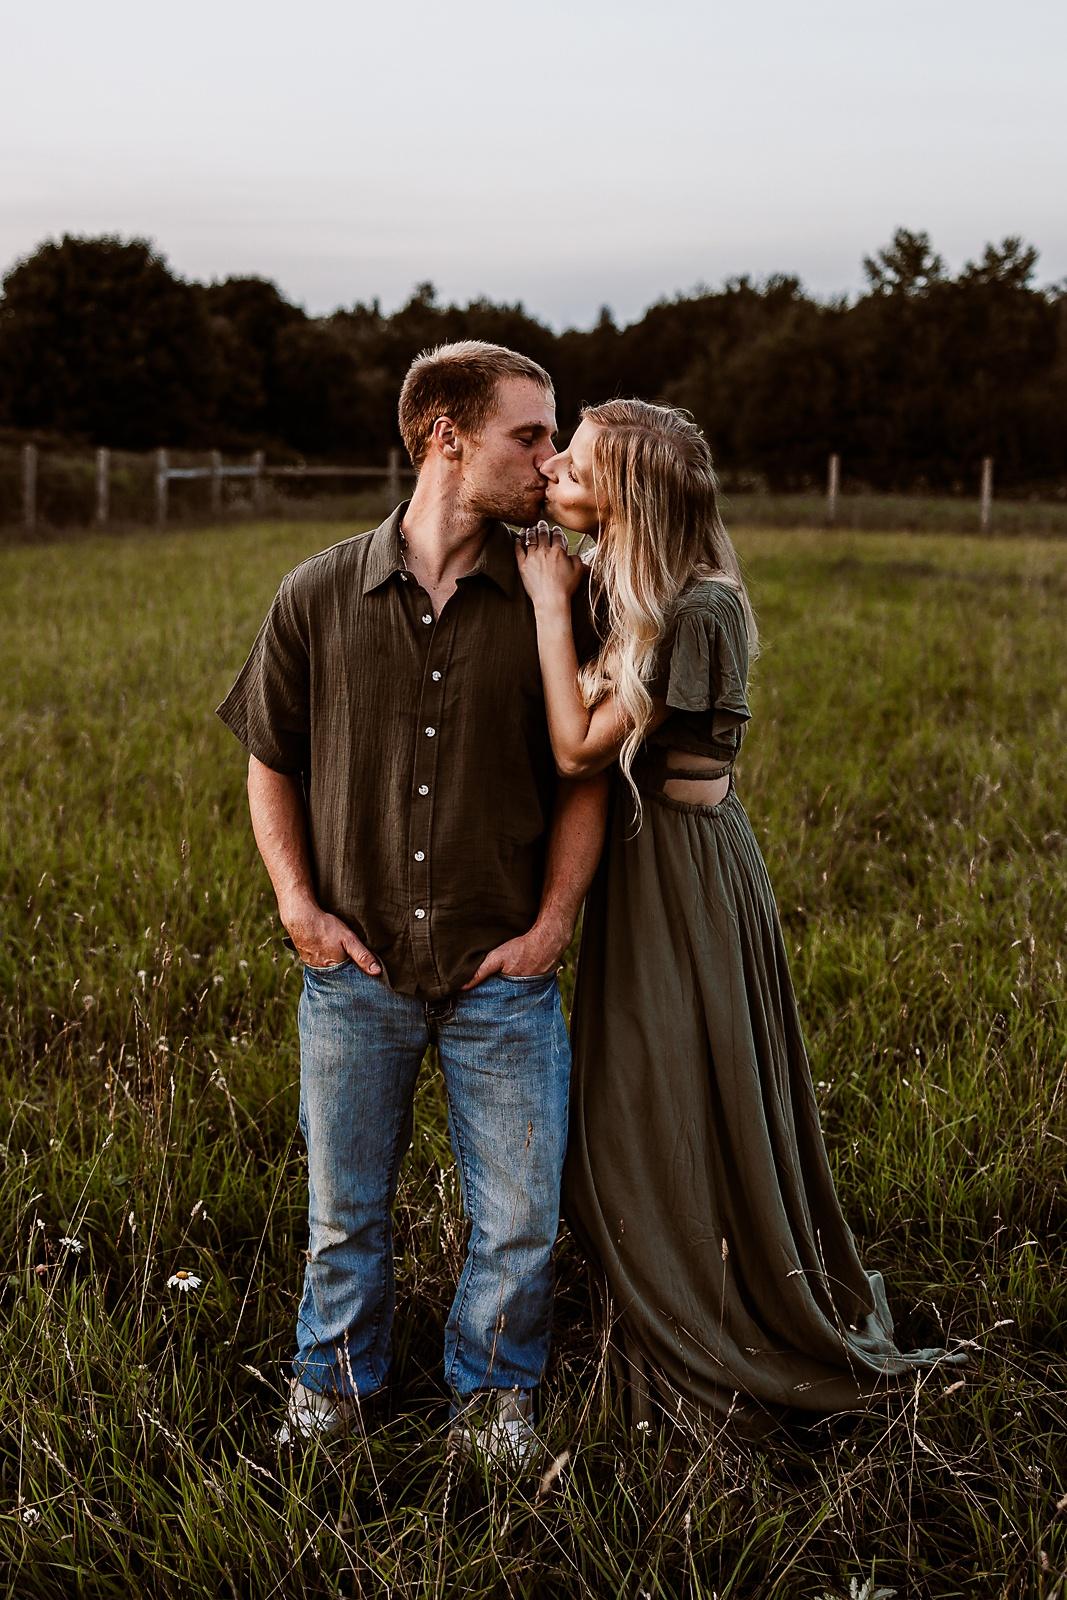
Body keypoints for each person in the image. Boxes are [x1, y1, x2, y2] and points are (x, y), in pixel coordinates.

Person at [515, 398, 963, 1434]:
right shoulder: (628, 585)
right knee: (632, 1090)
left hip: (685, 872)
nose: (552, 471)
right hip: (640, 869)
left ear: (627, 495)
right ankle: (654, 1283)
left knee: (679, 1087)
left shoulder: (697, 608)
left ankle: (717, 1305)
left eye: (574, 462)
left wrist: (545, 605)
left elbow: (578, 748)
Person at [217, 341, 607, 1462]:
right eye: (528, 436)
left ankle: (492, 1400)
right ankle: (333, 1388)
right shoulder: (316, 593)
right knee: (343, 1214)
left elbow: (582, 777)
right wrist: (297, 906)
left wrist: (552, 926)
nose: (551, 459)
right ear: (446, 437)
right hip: (356, 969)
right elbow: (269, 757)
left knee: (520, 1222)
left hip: (503, 971)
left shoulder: (558, 595)